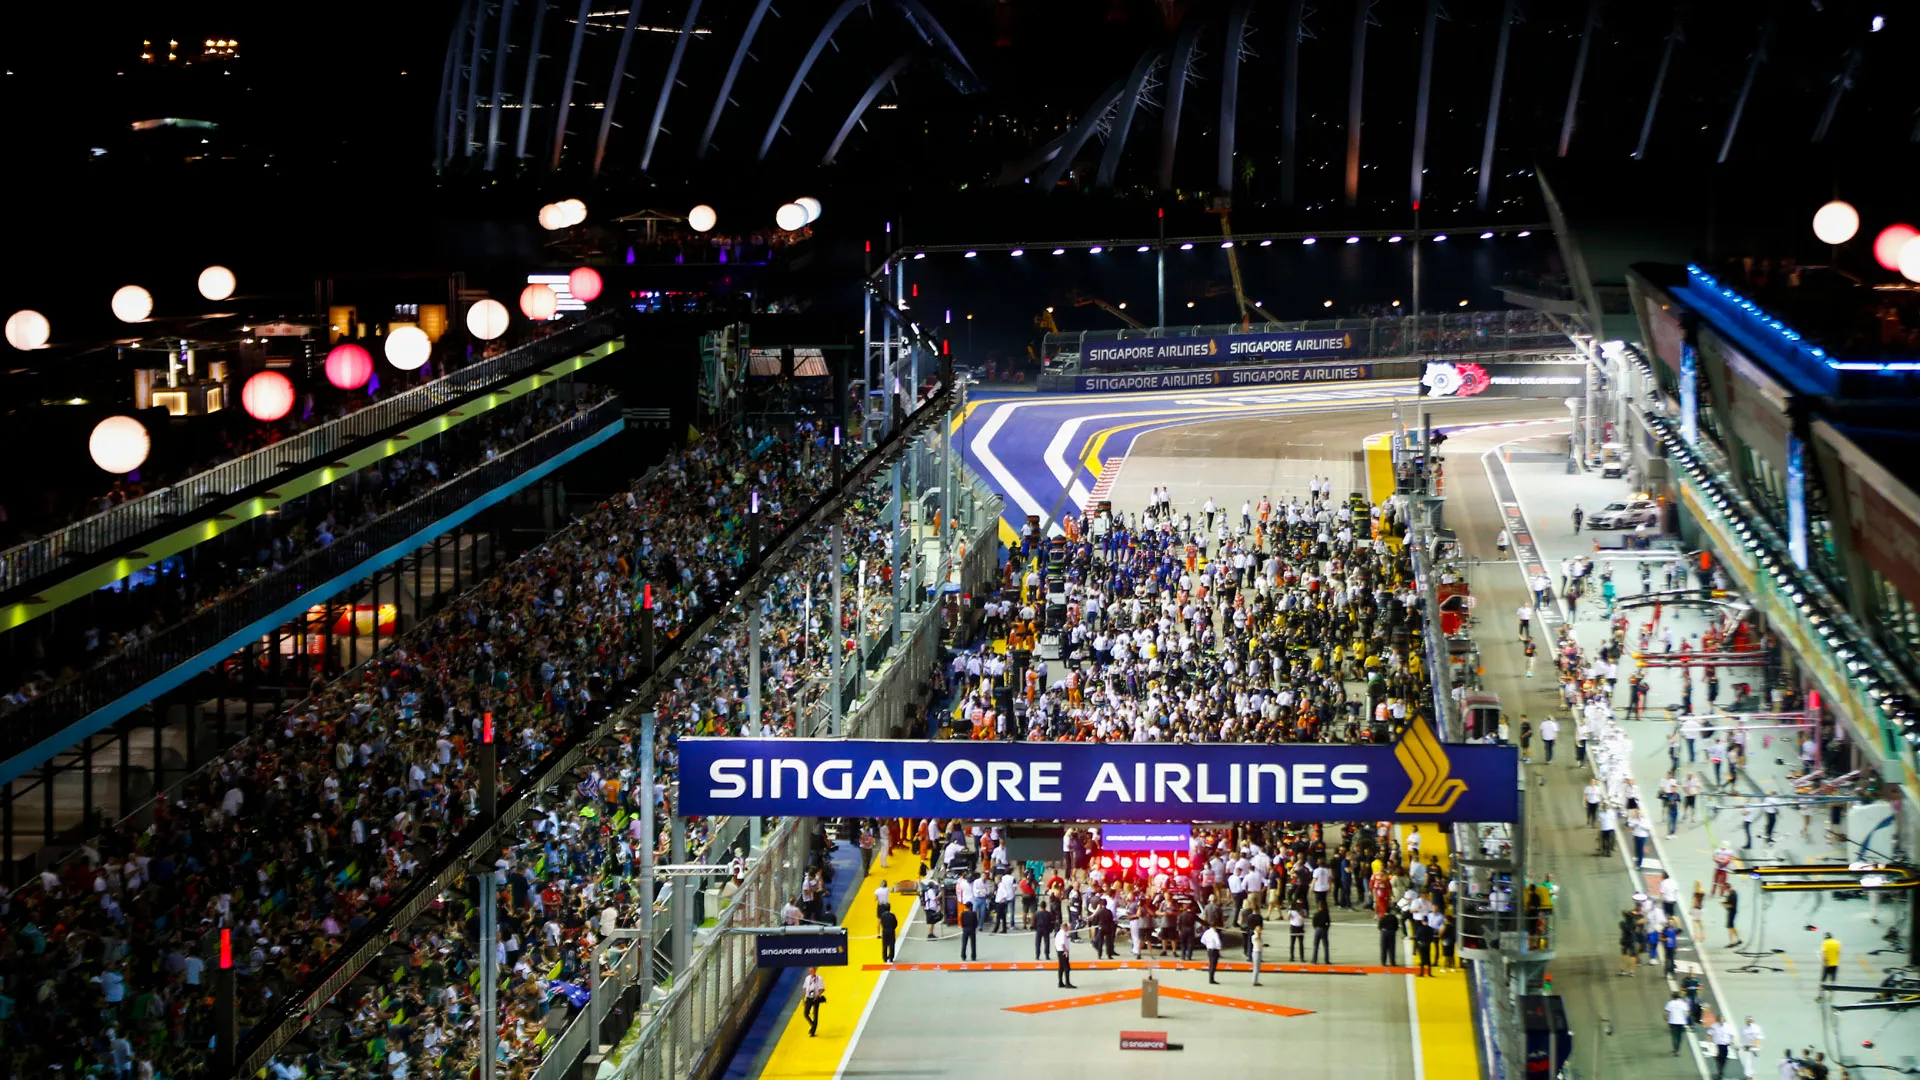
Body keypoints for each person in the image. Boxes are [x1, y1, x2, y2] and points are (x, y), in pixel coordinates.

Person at [1665, 990, 1692, 1055]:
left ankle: (1675, 1049)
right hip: (1681, 1022)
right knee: (1679, 1037)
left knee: (1674, 1036)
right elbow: (1687, 1013)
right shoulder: (1683, 1003)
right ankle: (1677, 1050)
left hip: (1672, 1021)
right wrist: (1684, 1018)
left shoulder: (1670, 1003)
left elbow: (1667, 1013)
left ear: (1672, 997)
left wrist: (1665, 1018)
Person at [802, 968, 826, 1036]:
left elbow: (822, 989)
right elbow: (804, 988)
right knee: (806, 1013)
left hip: (816, 998)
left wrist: (817, 995)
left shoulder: (819, 978)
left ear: (815, 971)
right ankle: (813, 1025)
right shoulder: (807, 978)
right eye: (810, 971)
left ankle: (813, 1032)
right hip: (809, 998)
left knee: (815, 1014)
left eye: (812, 971)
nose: (811, 972)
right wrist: (803, 999)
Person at [1817, 932, 1840, 999]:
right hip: (1835, 964)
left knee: (1823, 980)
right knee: (1832, 979)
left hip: (1827, 964)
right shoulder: (1837, 943)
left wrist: (1825, 962)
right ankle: (1831, 995)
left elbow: (1824, 953)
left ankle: (1820, 995)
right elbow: (1838, 953)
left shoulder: (1825, 943)